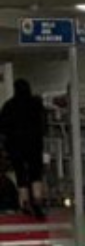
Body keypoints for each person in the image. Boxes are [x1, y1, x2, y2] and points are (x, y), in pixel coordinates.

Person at [0, 79, 48, 219]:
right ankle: (38, 201)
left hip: (15, 146)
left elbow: (2, 127)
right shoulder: (36, 104)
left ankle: (25, 202)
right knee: (35, 173)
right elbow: (42, 124)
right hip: (34, 144)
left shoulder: (9, 106)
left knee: (21, 174)